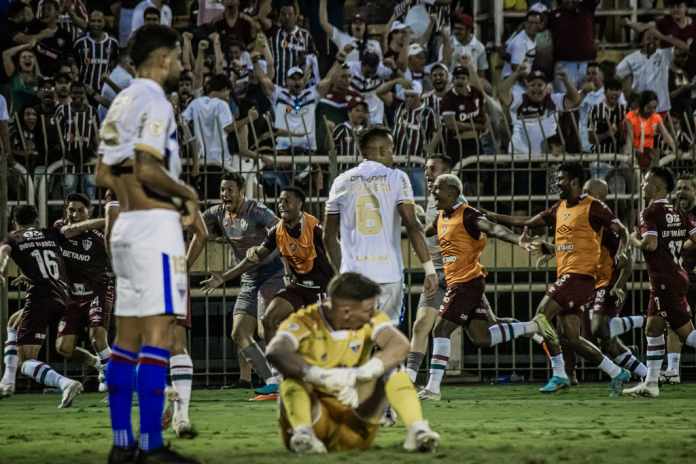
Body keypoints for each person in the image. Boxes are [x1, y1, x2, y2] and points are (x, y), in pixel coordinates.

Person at [94, 24, 199, 463]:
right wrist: (187, 195)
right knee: (158, 336)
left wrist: (131, 199)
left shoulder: (120, 101)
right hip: (155, 229)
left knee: (126, 339)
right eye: (177, 57)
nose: (179, 65)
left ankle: (123, 446)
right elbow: (148, 165)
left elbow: (103, 173)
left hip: (125, 228)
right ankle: (153, 448)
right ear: (162, 58)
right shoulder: (155, 99)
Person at [484, 162, 631, 394]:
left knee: (541, 317)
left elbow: (622, 230)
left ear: (573, 181)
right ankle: (617, 372)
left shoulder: (594, 207)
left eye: (560, 178)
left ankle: (559, 373)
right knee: (571, 338)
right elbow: (526, 223)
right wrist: (491, 216)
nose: (556, 183)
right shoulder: (558, 208)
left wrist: (623, 249)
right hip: (568, 276)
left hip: (579, 277)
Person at [266, 272, 440, 454]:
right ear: (346, 311)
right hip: (316, 420)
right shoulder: (305, 321)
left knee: (392, 369)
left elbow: (399, 344)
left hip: (354, 422)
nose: (372, 314)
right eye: (367, 310)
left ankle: (418, 430)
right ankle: (303, 433)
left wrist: (365, 372)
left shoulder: (371, 318)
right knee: (292, 380)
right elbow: (276, 351)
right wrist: (319, 376)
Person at [417, 174, 544, 400]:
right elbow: (425, 231)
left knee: (440, 330)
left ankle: (433, 388)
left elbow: (494, 229)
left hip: (466, 283)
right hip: (463, 282)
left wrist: (518, 241)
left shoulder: (468, 214)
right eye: (433, 189)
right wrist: (412, 218)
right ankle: (532, 327)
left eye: (439, 189)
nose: (433, 192)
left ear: (454, 192)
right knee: (482, 338)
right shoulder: (440, 218)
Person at [324, 126, 439, 324]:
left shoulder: (341, 182)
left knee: (356, 339)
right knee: (387, 339)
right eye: (391, 149)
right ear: (381, 150)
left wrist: (342, 271)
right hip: (388, 274)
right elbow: (412, 225)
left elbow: (328, 237)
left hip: (354, 276)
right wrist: (429, 269)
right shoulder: (397, 177)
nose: (393, 154)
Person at [203, 186, 334, 342]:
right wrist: (224, 277)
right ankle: (275, 366)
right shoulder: (277, 231)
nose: (281, 204)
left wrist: (340, 282)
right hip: (297, 288)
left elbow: (336, 250)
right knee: (268, 320)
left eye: (287, 201)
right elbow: (255, 258)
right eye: (279, 201)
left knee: (324, 339)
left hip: (320, 289)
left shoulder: (313, 227)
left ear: (299, 204)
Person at [196, 173, 284, 398]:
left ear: (241, 191)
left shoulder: (257, 211)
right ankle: (272, 383)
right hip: (248, 278)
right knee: (239, 332)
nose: (225, 194)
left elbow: (280, 229)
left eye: (230, 190)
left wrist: (269, 252)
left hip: (272, 274)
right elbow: (196, 226)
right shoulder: (217, 213)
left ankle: (286, 378)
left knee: (266, 329)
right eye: (222, 190)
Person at [623, 167, 696, 398]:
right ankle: (651, 383)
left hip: (664, 280)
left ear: (656, 185)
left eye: (645, 181)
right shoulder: (677, 211)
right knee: (652, 327)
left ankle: (652, 382)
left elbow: (650, 244)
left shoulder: (649, 212)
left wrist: (632, 239)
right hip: (676, 276)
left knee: (688, 335)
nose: (643, 185)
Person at [0, 205, 83, 406]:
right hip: (65, 295)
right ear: (36, 220)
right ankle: (7, 382)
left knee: (26, 361)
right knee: (13, 323)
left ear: (14, 222)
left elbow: (3, 253)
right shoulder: (50, 233)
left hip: (40, 297)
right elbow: (73, 234)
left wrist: (1, 271)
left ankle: (65, 383)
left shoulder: (14, 237)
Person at [581, 180, 647, 381]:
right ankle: (647, 373)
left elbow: (627, 262)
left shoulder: (610, 228)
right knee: (603, 341)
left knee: (598, 328)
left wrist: (618, 286)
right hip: (591, 284)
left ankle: (645, 320)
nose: (582, 196)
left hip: (608, 283)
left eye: (586, 192)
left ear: (598, 197)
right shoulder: (583, 223)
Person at [54, 193, 114, 394]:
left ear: (88, 212)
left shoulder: (99, 237)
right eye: (71, 209)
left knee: (97, 337)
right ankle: (98, 363)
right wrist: (110, 218)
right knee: (64, 348)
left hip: (98, 289)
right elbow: (72, 230)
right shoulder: (59, 228)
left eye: (80, 210)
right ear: (66, 210)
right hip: (71, 295)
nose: (75, 214)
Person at [405, 156, 453, 382]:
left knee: (484, 333)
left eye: (432, 169)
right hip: (436, 274)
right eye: (425, 169)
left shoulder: (456, 201)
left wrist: (417, 226)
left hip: (459, 275)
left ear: (447, 174)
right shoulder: (433, 200)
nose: (427, 173)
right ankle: (410, 380)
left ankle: (531, 330)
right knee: (421, 325)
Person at [499, 69, 581, 156]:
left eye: (540, 85)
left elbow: (575, 100)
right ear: (527, 86)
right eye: (532, 85)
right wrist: (516, 73)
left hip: (546, 156)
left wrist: (566, 81)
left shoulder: (553, 100)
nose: (536, 88)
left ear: (546, 87)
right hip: (519, 155)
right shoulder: (519, 99)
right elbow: (502, 93)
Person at [548, 0, 600, 90]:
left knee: (588, 98)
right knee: (565, 99)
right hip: (564, 64)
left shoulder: (587, 8)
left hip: (587, 64)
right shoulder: (553, 15)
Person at [624, 90, 676, 170]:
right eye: (649, 108)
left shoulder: (656, 117)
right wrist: (629, 155)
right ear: (641, 105)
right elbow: (629, 139)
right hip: (635, 153)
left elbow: (666, 136)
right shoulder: (631, 117)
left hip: (650, 154)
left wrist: (674, 148)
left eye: (654, 108)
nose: (652, 111)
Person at [73, 10, 120, 94]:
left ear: (104, 23)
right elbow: (74, 64)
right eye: (93, 21)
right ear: (88, 22)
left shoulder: (113, 42)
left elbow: (114, 65)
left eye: (99, 21)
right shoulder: (79, 42)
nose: (96, 24)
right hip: (84, 92)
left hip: (105, 91)